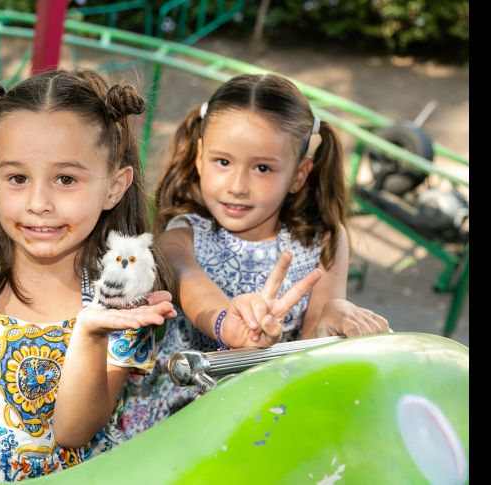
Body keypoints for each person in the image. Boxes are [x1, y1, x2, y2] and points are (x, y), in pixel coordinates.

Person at [0, 68, 179, 481]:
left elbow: (74, 432)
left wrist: (90, 333)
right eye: (18, 178)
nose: (38, 202)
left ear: (114, 187)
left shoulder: (122, 301)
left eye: (65, 179)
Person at [119, 73, 390, 439]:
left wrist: (331, 315)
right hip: (177, 419)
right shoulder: (180, 235)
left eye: (262, 168)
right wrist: (225, 321)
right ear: (200, 158)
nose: (237, 185)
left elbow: (308, 345)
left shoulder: (324, 240)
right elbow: (189, 281)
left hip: (266, 414)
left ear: (298, 174)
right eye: (223, 162)